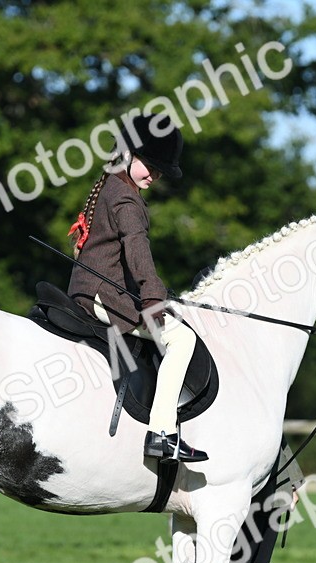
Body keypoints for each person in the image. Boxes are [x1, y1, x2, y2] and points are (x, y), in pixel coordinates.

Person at [66, 114, 207, 464]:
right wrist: (153, 296)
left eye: (159, 172)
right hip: (104, 295)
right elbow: (137, 250)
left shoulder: (109, 184)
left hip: (88, 288)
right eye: (151, 167)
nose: (154, 176)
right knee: (182, 338)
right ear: (128, 154)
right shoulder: (127, 200)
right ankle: (161, 432)